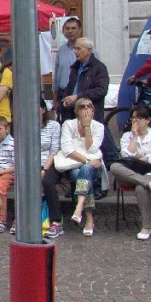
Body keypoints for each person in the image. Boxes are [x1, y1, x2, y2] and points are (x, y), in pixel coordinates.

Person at [110, 104, 151, 241]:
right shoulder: (127, 136)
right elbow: (126, 156)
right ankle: (148, 183)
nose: (135, 121)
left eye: (139, 118)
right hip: (131, 173)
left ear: (148, 120)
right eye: (133, 118)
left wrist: (139, 158)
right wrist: (135, 137)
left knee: (140, 188)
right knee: (114, 166)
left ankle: (146, 226)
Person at [61, 97, 105, 236]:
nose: (86, 109)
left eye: (89, 106)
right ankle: (89, 218)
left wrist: (87, 128)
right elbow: (67, 150)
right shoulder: (68, 124)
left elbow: (92, 149)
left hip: (94, 166)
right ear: (77, 111)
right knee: (84, 175)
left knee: (84, 172)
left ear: (93, 110)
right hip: (73, 164)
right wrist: (86, 161)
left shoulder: (98, 126)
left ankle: (79, 207)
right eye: (82, 106)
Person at [59, 38, 109, 123]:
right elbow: (70, 87)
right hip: (71, 113)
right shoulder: (75, 67)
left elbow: (101, 90)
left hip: (90, 114)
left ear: (88, 51)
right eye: (75, 48)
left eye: (78, 49)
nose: (75, 52)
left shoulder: (99, 68)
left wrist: (78, 96)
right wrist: (65, 100)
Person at [39, 100, 65, 240]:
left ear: (43, 109)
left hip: (51, 162)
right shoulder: (25, 126)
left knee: (48, 182)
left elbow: (54, 151)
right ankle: (22, 218)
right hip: (32, 163)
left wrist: (44, 169)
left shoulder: (53, 125)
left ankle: (56, 221)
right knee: (25, 181)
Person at [53, 17, 81, 109]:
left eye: (73, 28)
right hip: (63, 93)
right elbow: (57, 75)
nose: (70, 31)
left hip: (79, 94)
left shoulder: (87, 50)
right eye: (67, 28)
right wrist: (55, 97)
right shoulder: (61, 50)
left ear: (79, 30)